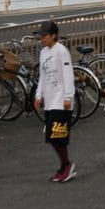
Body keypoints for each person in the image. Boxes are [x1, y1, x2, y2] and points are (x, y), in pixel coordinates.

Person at [33, 20, 77, 182]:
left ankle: (67, 166)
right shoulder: (43, 52)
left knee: (57, 136)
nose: (42, 38)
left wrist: (68, 97)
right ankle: (65, 165)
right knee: (52, 137)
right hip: (50, 101)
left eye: (44, 35)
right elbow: (42, 76)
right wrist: (39, 95)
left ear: (54, 35)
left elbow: (68, 74)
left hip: (61, 100)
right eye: (41, 35)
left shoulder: (62, 51)